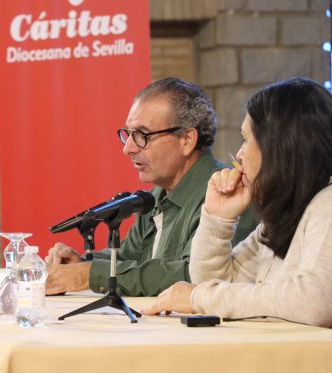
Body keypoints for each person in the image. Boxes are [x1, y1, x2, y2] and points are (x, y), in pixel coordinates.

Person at [142, 77, 332, 327]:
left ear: (277, 146)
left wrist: (200, 297)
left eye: (245, 140)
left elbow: (314, 303)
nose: (239, 155)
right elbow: (220, 284)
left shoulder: (326, 204)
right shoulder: (282, 216)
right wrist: (217, 219)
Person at [45, 77, 257, 296]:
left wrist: (89, 274)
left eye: (141, 135)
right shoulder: (157, 195)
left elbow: (194, 276)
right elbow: (131, 258)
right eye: (128, 134)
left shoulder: (229, 195)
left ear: (187, 139)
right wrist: (82, 263)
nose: (128, 149)